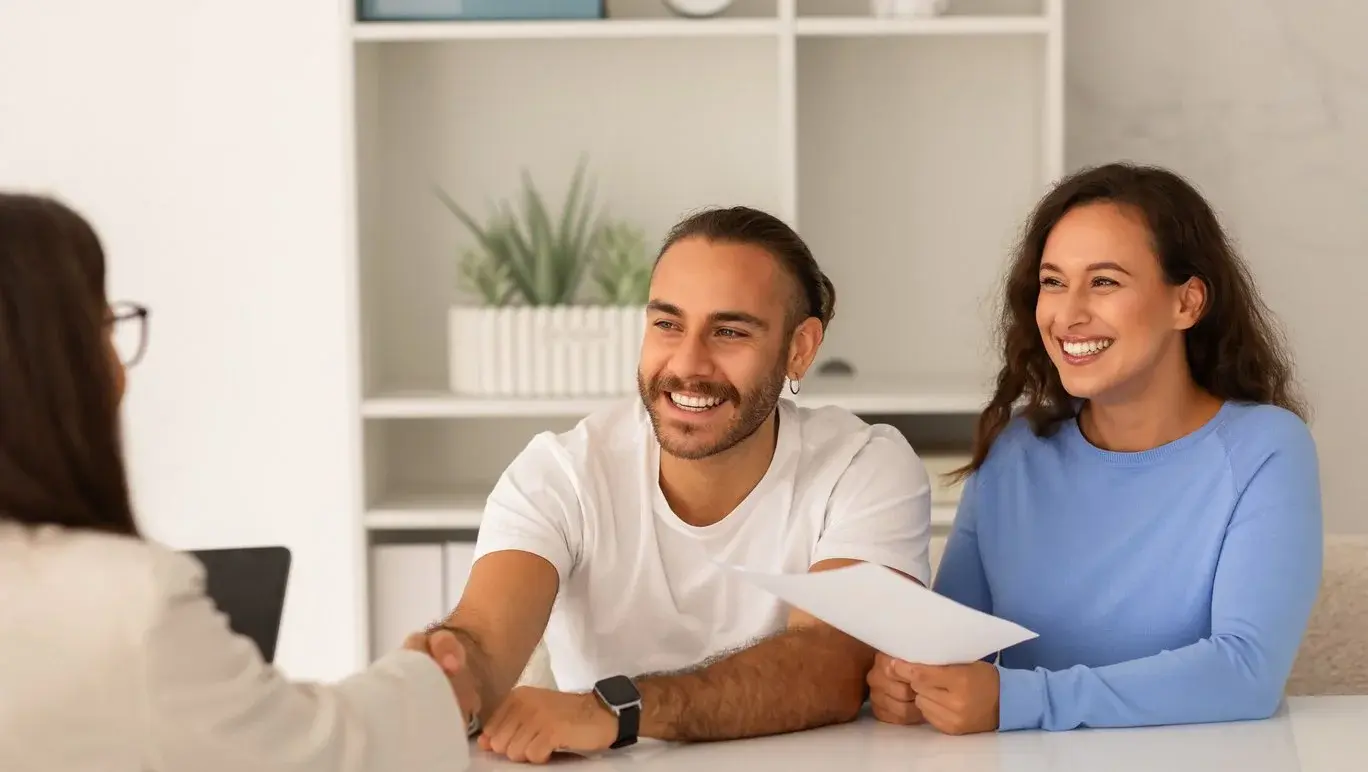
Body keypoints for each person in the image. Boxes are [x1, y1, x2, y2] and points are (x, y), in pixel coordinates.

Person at [420, 206, 934, 764]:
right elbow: (486, 643)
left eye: (730, 331)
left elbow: (830, 666)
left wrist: (613, 711)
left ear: (799, 349)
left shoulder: (862, 466)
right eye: (667, 324)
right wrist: (450, 671)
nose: (688, 363)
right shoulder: (560, 474)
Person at [0, 192, 477, 771]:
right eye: (103, 329)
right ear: (55, 368)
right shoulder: (125, 607)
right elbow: (311, 754)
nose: (119, 372)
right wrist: (429, 688)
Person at [865, 162, 1323, 735]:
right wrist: (912, 684)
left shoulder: (1266, 449)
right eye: (1054, 282)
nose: (1069, 313)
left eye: (1103, 281)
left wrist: (1023, 700)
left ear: (1187, 303)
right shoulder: (1015, 455)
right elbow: (956, 653)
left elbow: (1245, 672)